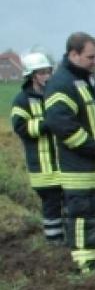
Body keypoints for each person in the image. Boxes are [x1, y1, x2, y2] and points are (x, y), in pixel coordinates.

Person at [44, 32, 95, 273]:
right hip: (81, 167)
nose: (94, 61)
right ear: (73, 54)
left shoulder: (87, 80)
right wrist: (92, 146)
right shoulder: (61, 83)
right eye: (90, 56)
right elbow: (60, 123)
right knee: (83, 215)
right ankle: (87, 262)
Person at [10, 52, 62, 244]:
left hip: (62, 163)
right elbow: (20, 127)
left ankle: (66, 241)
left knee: (69, 204)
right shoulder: (22, 100)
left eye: (48, 71)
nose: (47, 76)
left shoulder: (55, 96)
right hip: (42, 166)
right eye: (42, 72)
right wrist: (47, 124)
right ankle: (54, 243)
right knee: (51, 205)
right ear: (32, 75)